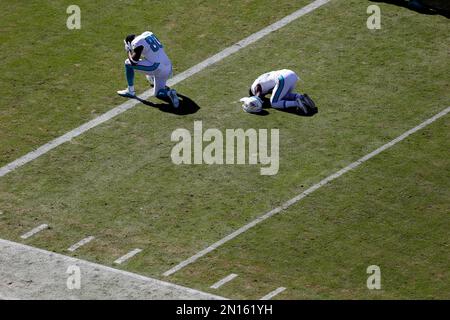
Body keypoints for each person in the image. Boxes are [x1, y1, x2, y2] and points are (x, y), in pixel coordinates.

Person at [117, 31, 179, 108]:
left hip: (157, 67)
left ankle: (130, 91)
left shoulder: (136, 43)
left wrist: (129, 50)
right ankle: (169, 93)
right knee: (158, 93)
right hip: (168, 66)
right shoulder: (148, 34)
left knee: (127, 63)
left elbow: (133, 61)